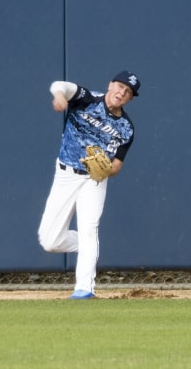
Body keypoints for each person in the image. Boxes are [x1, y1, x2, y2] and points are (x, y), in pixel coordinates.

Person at [38, 71, 139, 299]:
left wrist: (106, 169)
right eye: (120, 87)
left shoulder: (126, 128)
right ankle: (88, 246)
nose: (121, 93)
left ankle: (84, 289)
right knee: (49, 241)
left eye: (127, 92)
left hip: (94, 179)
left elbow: (117, 165)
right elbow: (59, 84)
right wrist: (60, 97)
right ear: (110, 85)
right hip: (66, 173)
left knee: (89, 228)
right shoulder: (87, 98)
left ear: (130, 99)